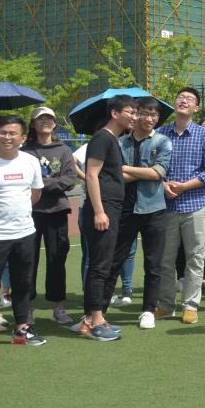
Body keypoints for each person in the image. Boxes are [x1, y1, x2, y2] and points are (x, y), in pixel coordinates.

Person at [0, 115, 45, 346]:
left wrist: (18, 212)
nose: (7, 137)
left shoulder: (31, 161)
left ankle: (22, 329)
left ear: (23, 137)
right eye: (3, 132)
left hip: (25, 232)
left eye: (13, 133)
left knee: (23, 282)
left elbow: (35, 193)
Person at [156, 87, 205, 325]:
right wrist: (163, 185)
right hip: (166, 206)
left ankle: (191, 305)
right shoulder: (160, 133)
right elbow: (151, 165)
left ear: (196, 108)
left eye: (189, 99)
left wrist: (184, 187)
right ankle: (165, 305)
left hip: (196, 205)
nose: (183, 101)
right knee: (165, 259)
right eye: (180, 97)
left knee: (195, 258)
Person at [110, 97, 172, 331]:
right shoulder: (119, 143)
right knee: (114, 260)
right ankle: (99, 310)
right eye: (145, 113)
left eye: (154, 115)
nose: (149, 118)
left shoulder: (162, 141)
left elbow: (158, 173)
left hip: (154, 210)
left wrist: (126, 169)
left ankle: (148, 310)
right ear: (135, 115)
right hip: (125, 209)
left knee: (153, 264)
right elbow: (114, 175)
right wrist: (141, 172)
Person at [79, 95, 135, 341]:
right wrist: (99, 211)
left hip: (112, 207)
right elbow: (91, 175)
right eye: (130, 111)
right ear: (115, 113)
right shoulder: (102, 138)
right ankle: (95, 320)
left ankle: (91, 319)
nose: (134, 116)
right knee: (100, 265)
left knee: (105, 262)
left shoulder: (112, 139)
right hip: (103, 209)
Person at [23, 107, 79, 325]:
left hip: (57, 211)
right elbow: (24, 180)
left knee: (57, 260)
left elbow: (69, 180)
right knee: (28, 261)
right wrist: (51, 183)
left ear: (55, 124)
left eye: (49, 118)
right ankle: (26, 308)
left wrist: (39, 184)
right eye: (40, 119)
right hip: (30, 212)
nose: (45, 122)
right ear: (33, 124)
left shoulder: (63, 150)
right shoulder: (25, 151)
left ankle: (58, 308)